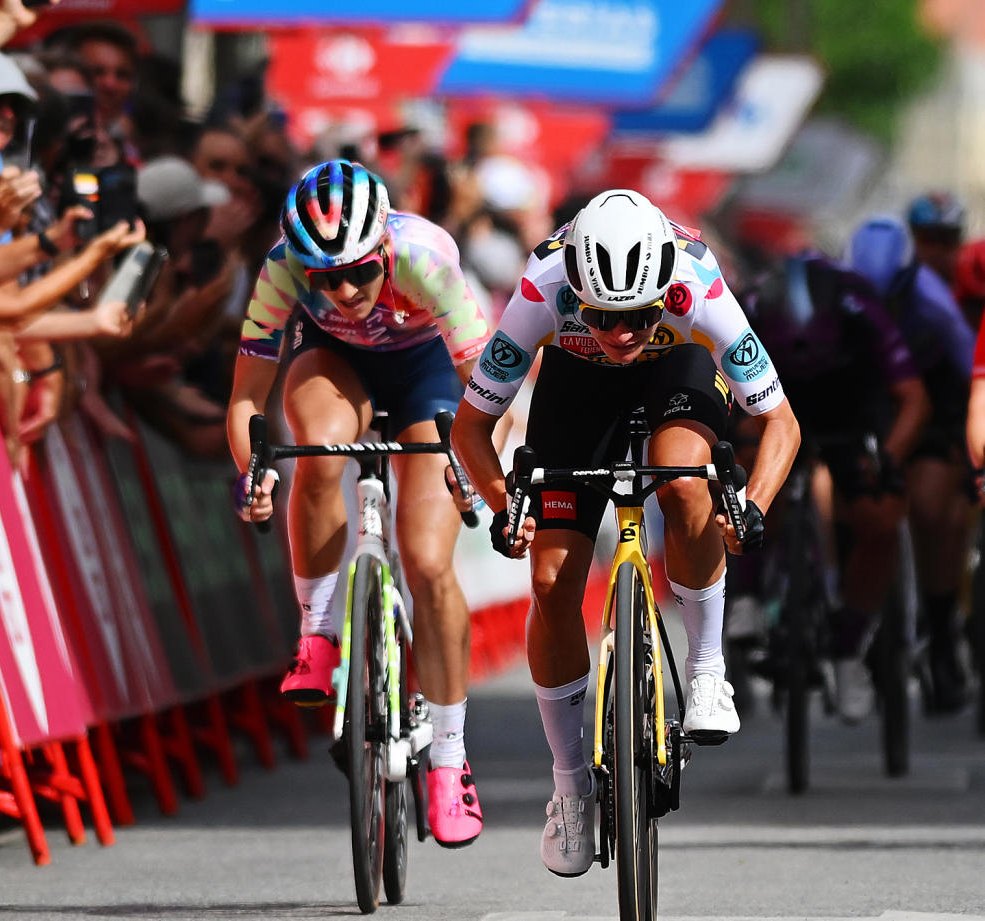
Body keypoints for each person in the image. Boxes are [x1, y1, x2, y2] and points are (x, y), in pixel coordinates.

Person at [451, 189, 800, 877]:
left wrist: (753, 502)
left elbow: (782, 422)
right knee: (551, 582)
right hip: (575, 391)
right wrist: (502, 505)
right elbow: (469, 427)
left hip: (677, 374)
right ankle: (571, 785)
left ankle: (706, 670)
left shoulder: (698, 281)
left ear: (663, 290)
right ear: (575, 287)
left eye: (638, 316)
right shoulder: (540, 286)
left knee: (684, 482)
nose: (621, 335)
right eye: (605, 317)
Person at [228, 159, 491, 847]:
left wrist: (473, 466)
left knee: (428, 562)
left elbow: (489, 395)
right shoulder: (282, 264)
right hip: (335, 364)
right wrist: (253, 471)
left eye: (358, 273)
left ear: (384, 251)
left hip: (428, 372)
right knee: (314, 447)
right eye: (324, 278)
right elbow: (247, 399)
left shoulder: (427, 258)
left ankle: (449, 759)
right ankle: (317, 632)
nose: (343, 290)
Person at [740, 252, 930, 722]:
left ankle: (850, 649)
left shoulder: (858, 305)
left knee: (880, 518)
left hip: (851, 407)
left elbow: (912, 399)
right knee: (747, 470)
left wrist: (887, 462)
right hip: (776, 399)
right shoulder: (751, 305)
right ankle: (748, 591)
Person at [846, 216, 975, 714]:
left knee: (928, 509)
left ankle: (941, 637)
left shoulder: (934, 306)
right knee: (835, 495)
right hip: (864, 403)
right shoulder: (840, 294)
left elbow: (973, 376)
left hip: (932, 410)